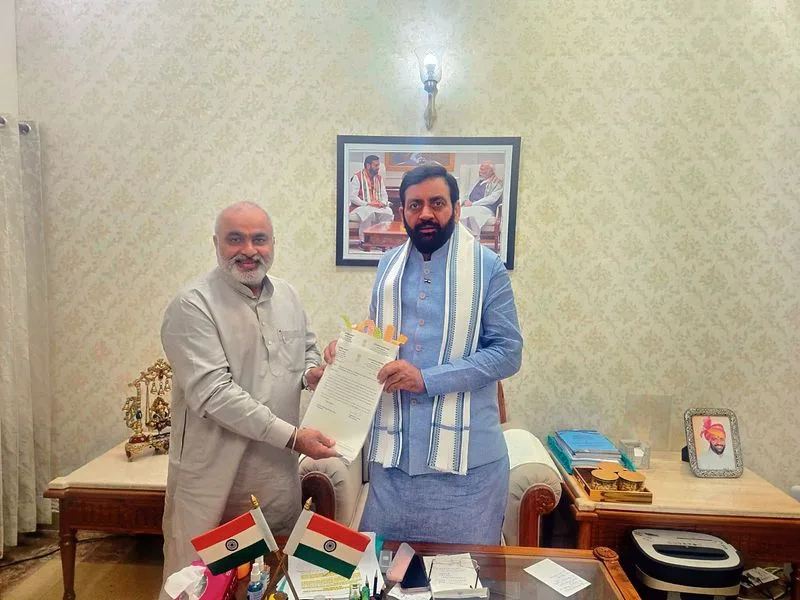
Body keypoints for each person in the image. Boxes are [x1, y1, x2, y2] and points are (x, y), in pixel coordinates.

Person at [325, 165, 523, 545]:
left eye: (437, 203)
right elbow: (379, 337)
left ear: (457, 209)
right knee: (384, 571)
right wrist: (348, 353)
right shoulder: (388, 265)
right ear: (403, 212)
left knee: (463, 574)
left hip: (468, 473)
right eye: (415, 205)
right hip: (394, 464)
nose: (426, 213)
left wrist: (426, 379)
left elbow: (508, 352)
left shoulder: (487, 268)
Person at [159, 201, 338, 596]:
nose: (249, 250)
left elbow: (305, 353)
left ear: (273, 243)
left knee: (267, 582)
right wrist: (295, 438)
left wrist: (313, 374)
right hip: (217, 485)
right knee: (204, 585)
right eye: (235, 239)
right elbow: (214, 394)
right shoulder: (192, 305)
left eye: (259, 239)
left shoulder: (288, 295)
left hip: (277, 480)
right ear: (216, 243)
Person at [349, 155, 394, 242]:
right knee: (368, 213)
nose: (378, 168)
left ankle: (380, 240)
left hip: (376, 206)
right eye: (376, 165)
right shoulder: (357, 177)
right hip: (361, 206)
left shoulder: (379, 178)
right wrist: (368, 203)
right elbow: (353, 197)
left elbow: (384, 195)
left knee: (388, 212)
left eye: (378, 165)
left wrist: (383, 203)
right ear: (368, 165)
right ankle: (365, 241)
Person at [459, 161, 504, 238]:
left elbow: (491, 199)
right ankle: (462, 236)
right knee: (460, 212)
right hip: (471, 206)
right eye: (480, 169)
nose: (480, 171)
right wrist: (462, 202)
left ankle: (473, 237)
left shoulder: (497, 183)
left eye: (483, 169)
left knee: (472, 213)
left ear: (491, 171)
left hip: (486, 209)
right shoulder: (477, 181)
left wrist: (473, 204)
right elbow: (467, 195)